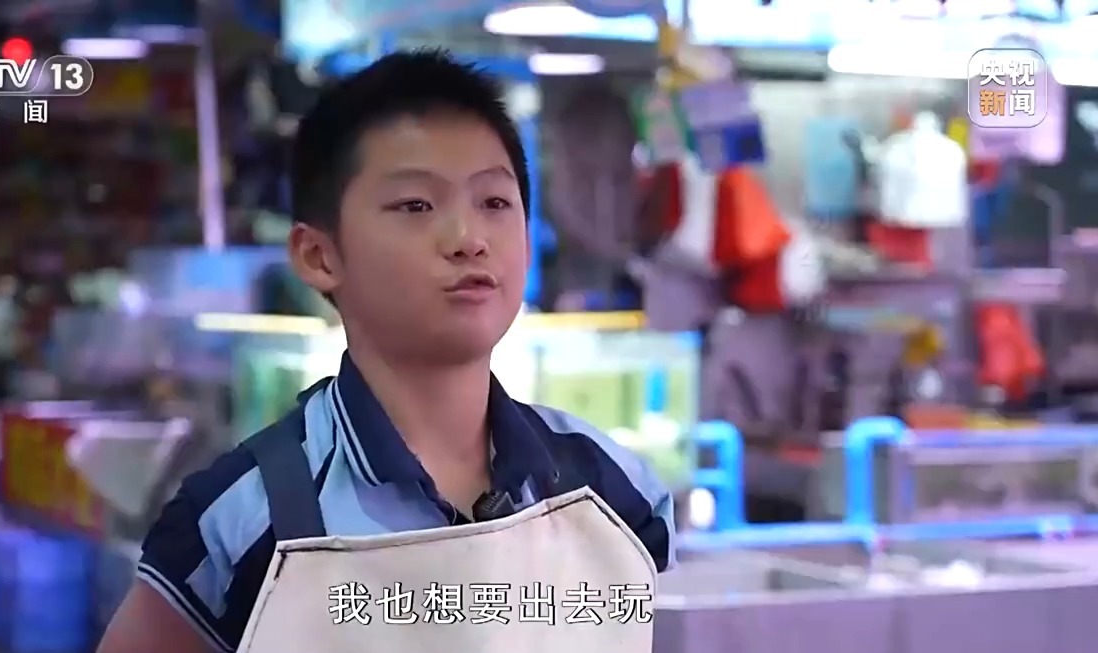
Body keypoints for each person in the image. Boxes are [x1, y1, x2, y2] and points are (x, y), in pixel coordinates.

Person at [98, 49, 675, 653]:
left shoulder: (614, 491)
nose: (469, 239)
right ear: (319, 255)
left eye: (495, 203)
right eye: (415, 205)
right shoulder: (240, 521)